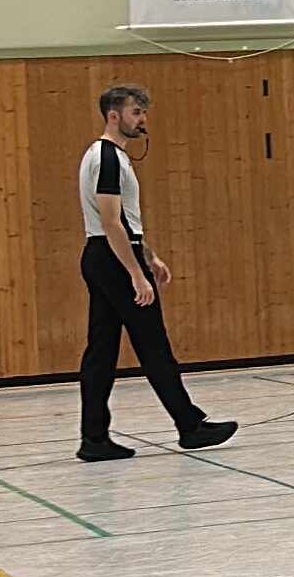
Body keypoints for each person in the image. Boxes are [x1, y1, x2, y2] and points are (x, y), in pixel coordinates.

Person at [77, 82, 237, 463]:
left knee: (100, 352)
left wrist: (147, 254)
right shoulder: (108, 158)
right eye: (135, 112)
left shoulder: (108, 156)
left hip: (106, 255)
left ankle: (94, 437)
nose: (142, 119)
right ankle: (190, 426)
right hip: (113, 258)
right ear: (114, 115)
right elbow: (110, 221)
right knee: (154, 345)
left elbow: (121, 223)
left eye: (143, 112)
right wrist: (135, 273)